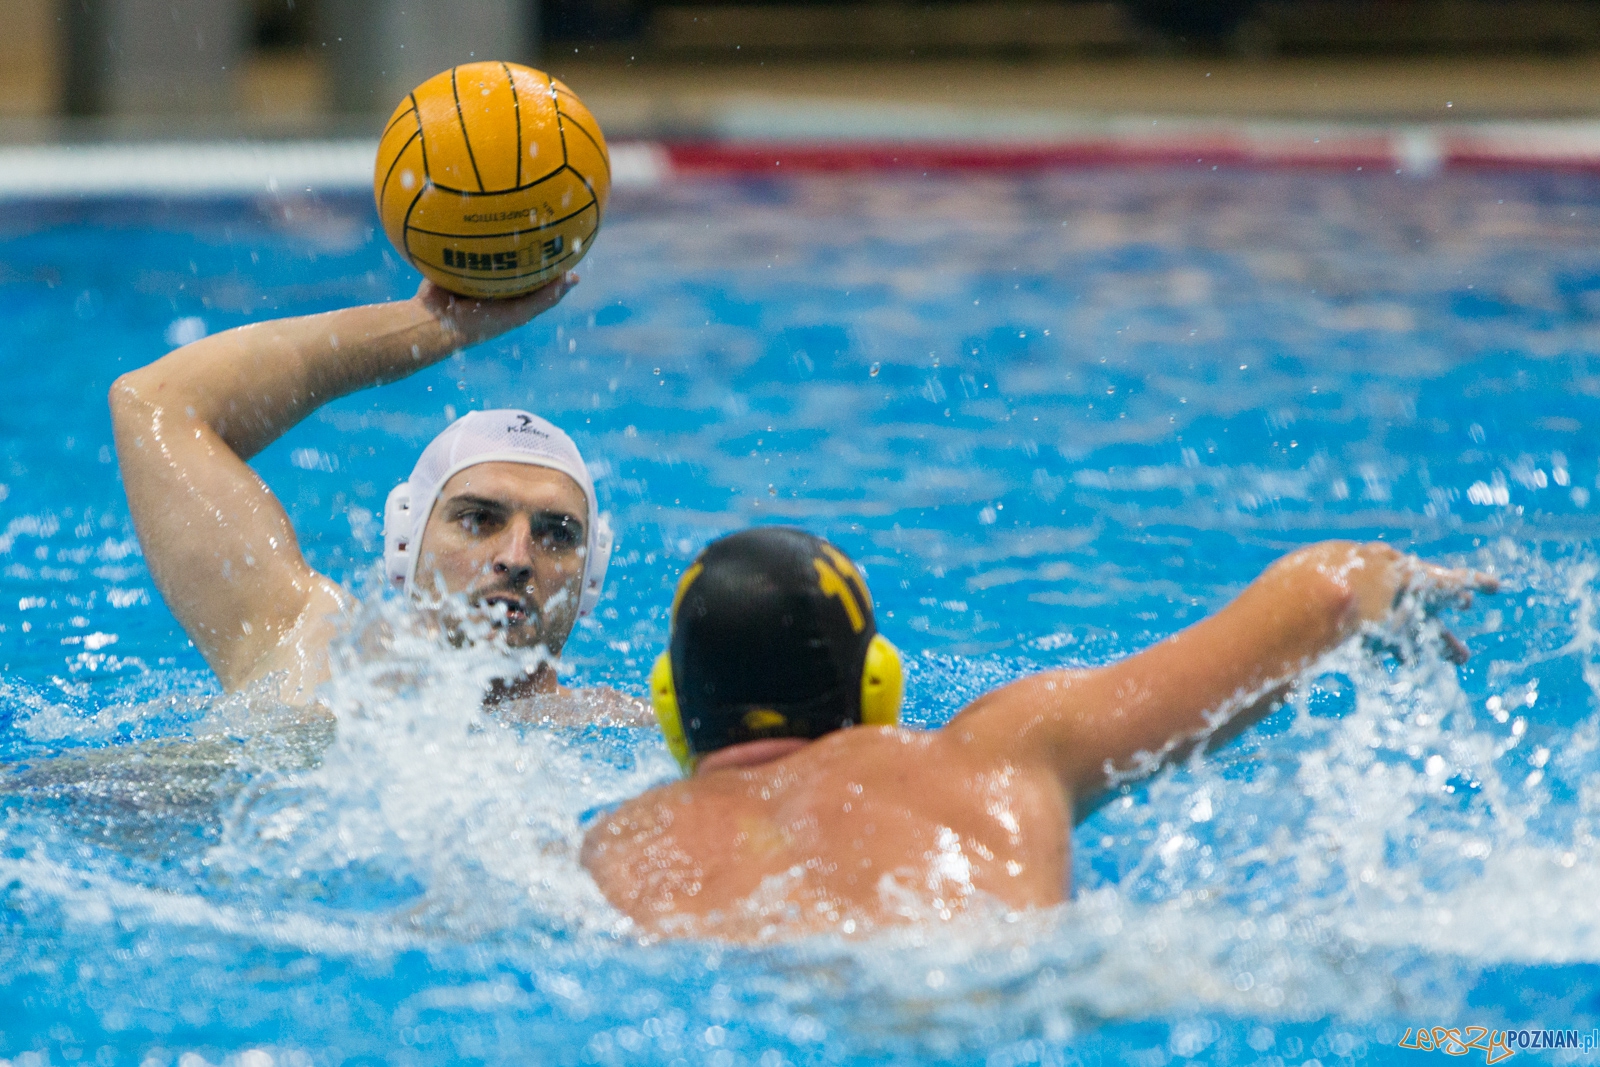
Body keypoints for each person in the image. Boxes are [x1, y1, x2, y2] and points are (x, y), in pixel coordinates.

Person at [582, 527, 1497, 940]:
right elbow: (1331, 589)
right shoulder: (997, 750)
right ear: (878, 684)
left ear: (670, 705)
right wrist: (1383, 580)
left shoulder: (612, 849)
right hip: (1003, 996)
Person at [110, 275, 635, 718]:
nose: (517, 558)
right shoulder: (314, 651)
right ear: (406, 541)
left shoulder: (627, 729)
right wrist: (434, 327)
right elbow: (155, 404)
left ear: (592, 575)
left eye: (556, 535)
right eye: (479, 519)